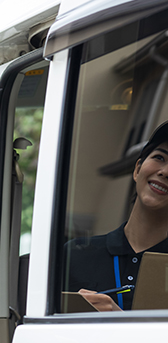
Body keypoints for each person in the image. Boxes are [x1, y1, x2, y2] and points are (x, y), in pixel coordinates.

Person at [67, 120, 168, 311]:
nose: (164, 172)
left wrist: (115, 318)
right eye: (159, 158)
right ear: (137, 169)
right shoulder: (74, 255)